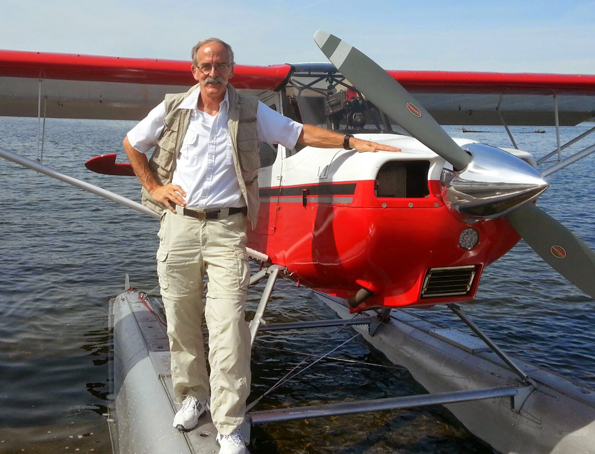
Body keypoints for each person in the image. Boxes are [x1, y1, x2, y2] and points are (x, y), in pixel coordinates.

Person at [123, 37, 400, 454]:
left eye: (220, 65)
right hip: (179, 227)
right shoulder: (172, 107)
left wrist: (352, 142)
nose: (213, 72)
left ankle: (230, 423)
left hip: (227, 231)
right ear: (194, 71)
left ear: (231, 69)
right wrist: (154, 186)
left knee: (229, 326)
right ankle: (192, 395)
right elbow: (132, 143)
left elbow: (299, 132)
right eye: (205, 66)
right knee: (180, 320)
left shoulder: (251, 111)